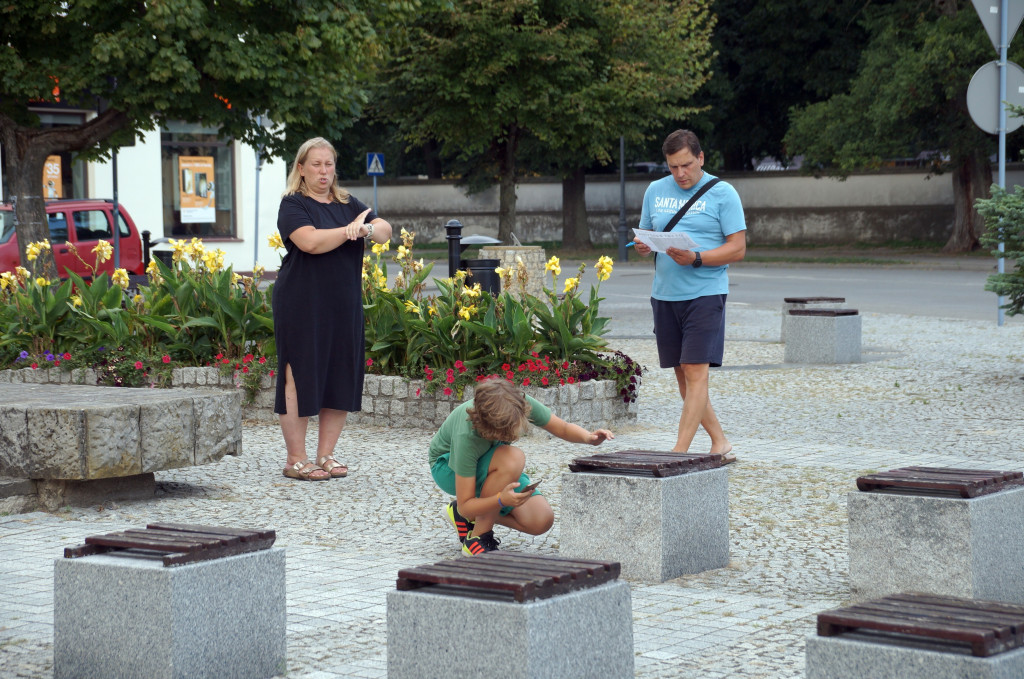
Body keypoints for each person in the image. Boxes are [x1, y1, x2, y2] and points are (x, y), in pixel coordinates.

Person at [273, 137, 393, 480]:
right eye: (315, 164)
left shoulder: (348, 202)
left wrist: (367, 227)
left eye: (328, 164)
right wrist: (349, 230)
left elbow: (384, 230)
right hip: (301, 301)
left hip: (343, 301)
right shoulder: (293, 205)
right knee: (298, 374)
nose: (323, 171)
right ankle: (296, 458)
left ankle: (325, 454)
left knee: (339, 372)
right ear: (301, 168)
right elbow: (310, 242)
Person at [632, 129, 746, 462]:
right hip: (665, 294)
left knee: (696, 372)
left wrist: (698, 258)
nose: (680, 174)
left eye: (686, 165)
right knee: (684, 375)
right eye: (673, 167)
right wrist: (642, 246)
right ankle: (720, 443)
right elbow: (647, 235)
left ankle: (678, 453)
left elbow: (737, 248)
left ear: (700, 158)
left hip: (705, 293)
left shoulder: (724, 194)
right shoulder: (655, 190)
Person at [430, 379, 614, 555]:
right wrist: (500, 500)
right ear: (490, 427)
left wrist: (589, 438)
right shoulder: (467, 435)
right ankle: (478, 539)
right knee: (512, 457)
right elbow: (466, 505)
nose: (514, 436)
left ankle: (461, 517)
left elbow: (562, 427)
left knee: (540, 520)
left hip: (495, 465)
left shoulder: (514, 404)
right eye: (507, 432)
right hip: (447, 468)